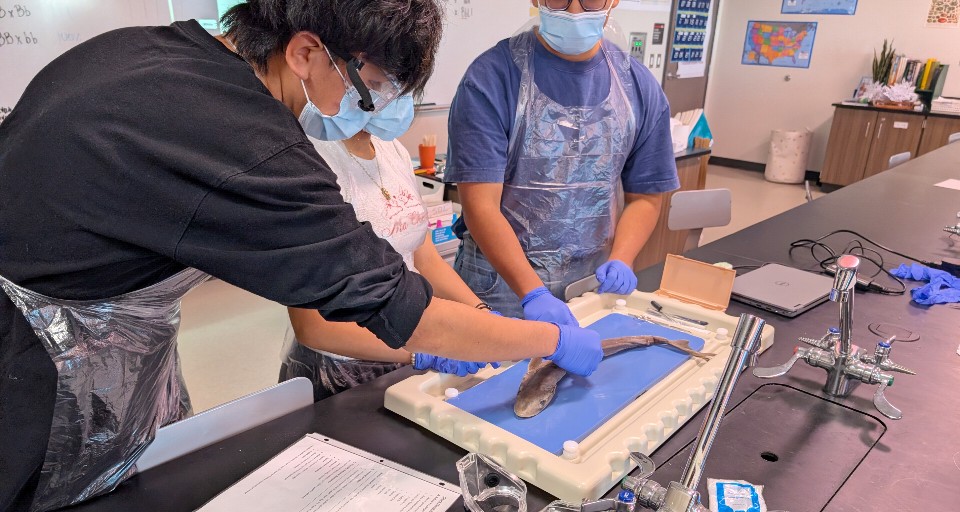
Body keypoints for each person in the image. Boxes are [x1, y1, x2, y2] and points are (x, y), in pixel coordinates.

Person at [0, 1, 603, 510]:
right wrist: (547, 342)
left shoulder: (151, 52)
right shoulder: (248, 142)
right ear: (306, 52)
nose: (377, 107)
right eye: (373, 86)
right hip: (41, 370)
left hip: (111, 340)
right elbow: (395, 306)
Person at [445, 0, 680, 323]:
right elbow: (480, 206)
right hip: (500, 284)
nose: (574, 10)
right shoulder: (491, 78)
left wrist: (622, 260)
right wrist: (533, 291)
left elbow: (647, 197)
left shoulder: (638, 86)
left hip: (590, 281)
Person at [281, 97, 502, 401]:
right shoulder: (308, 158)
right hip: (340, 368)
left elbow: (423, 255)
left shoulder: (393, 150)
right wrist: (419, 349)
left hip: (405, 344)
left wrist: (482, 315)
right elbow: (313, 327)